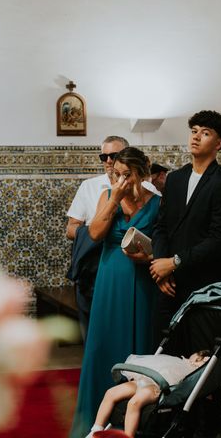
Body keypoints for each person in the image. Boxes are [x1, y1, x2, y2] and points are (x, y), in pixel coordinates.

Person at [71, 147, 161, 438]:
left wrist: (150, 257)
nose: (121, 179)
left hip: (141, 279)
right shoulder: (108, 196)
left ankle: (132, 422)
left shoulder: (158, 203)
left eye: (127, 174)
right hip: (110, 277)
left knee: (137, 346)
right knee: (102, 345)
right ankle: (94, 421)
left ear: (141, 174)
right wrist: (115, 199)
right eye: (117, 174)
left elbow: (163, 244)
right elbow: (95, 233)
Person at [151, 110, 221, 343]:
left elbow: (220, 239)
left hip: (203, 287)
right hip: (168, 284)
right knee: (163, 352)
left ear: (218, 143)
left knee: (196, 356)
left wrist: (175, 262)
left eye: (205, 133)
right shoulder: (175, 179)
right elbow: (161, 226)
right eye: (193, 131)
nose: (196, 136)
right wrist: (161, 268)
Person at [66, 136, 129, 340]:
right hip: (93, 266)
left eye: (114, 155)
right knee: (94, 329)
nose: (109, 161)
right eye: (104, 156)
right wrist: (97, 232)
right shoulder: (90, 186)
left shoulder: (145, 188)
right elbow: (70, 229)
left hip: (127, 265)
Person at [85, 351, 210, 437]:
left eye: (198, 358)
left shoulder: (196, 370)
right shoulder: (179, 361)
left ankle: (128, 436)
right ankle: (96, 430)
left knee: (134, 403)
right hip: (143, 378)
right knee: (110, 393)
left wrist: (201, 362)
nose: (192, 359)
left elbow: (200, 369)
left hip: (157, 385)